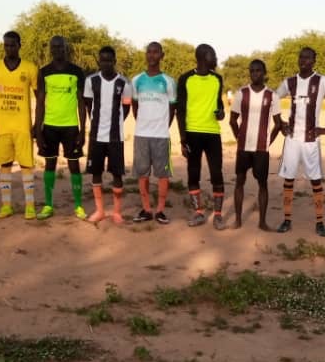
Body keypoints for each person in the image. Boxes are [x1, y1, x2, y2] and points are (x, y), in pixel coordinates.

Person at [275, 47, 325, 237]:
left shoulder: (323, 81)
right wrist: (280, 123)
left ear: (314, 61)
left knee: (315, 180)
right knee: (288, 179)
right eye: (301, 57)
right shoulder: (289, 82)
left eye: (308, 58)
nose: (303, 60)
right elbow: (273, 99)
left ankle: (320, 222)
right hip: (292, 139)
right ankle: (287, 219)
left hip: (310, 140)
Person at [0, 31, 39, 220]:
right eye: (6, 45)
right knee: (5, 165)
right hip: (3, 126)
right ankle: (6, 206)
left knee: (26, 165)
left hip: (23, 126)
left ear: (19, 45)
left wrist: (36, 123)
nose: (9, 48)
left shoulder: (30, 68)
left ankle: (30, 206)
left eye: (12, 45)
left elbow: (39, 97)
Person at [34, 36, 87, 220]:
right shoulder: (44, 72)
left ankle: (79, 206)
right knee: (50, 164)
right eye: (54, 47)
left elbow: (81, 102)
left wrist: (82, 129)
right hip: (50, 126)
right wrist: (37, 129)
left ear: (66, 48)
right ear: (50, 49)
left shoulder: (77, 71)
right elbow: (40, 102)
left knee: (74, 165)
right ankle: (48, 205)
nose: (57, 50)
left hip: (71, 126)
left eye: (61, 46)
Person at [229, 59, 283, 230]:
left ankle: (262, 222)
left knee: (263, 184)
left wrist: (268, 141)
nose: (255, 74)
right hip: (243, 147)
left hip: (261, 148)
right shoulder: (241, 93)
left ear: (264, 72)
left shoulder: (272, 96)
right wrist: (239, 138)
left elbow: (278, 124)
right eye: (252, 71)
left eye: (258, 70)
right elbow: (232, 120)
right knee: (240, 181)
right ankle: (237, 220)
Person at [177, 44, 226, 228]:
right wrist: (183, 139)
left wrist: (221, 113)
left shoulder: (217, 79)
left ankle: (219, 216)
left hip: (213, 133)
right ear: (204, 57)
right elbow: (180, 111)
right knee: (193, 173)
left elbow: (219, 104)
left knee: (216, 173)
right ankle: (198, 213)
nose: (216, 59)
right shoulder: (185, 79)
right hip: (192, 133)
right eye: (214, 55)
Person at [84, 46, 133, 224]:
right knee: (96, 173)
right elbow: (89, 105)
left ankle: (117, 212)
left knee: (117, 174)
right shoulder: (91, 81)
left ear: (114, 61)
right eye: (102, 60)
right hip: (96, 135)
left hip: (115, 137)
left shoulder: (124, 83)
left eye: (109, 60)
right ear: (99, 61)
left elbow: (126, 107)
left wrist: (116, 121)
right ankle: (100, 211)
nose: (105, 63)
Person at [131, 42, 176, 224]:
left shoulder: (168, 81)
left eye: (155, 52)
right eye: (148, 52)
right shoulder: (136, 80)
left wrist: (163, 126)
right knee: (142, 173)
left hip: (161, 136)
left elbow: (172, 108)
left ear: (162, 55)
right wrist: (143, 123)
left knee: (163, 174)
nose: (151, 55)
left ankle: (160, 210)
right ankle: (146, 209)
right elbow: (135, 106)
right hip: (141, 134)